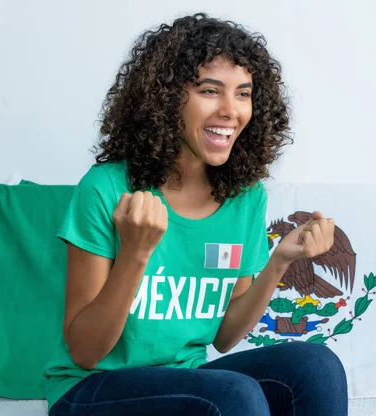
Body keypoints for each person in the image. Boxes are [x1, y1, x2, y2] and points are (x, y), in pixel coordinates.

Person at [43, 12, 348, 416]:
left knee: (316, 366)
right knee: (233, 395)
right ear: (166, 98)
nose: (230, 110)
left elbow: (223, 338)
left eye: (243, 93)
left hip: (188, 384)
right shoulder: (107, 189)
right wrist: (135, 253)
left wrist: (280, 262)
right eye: (210, 90)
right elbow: (84, 351)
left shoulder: (245, 197)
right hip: (90, 390)